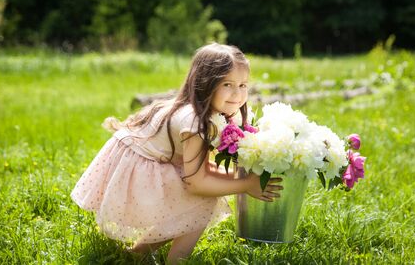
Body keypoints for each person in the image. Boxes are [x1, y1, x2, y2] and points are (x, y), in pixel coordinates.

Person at [70, 43, 283, 264]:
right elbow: (197, 183)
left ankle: (140, 253)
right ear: (205, 84)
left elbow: (200, 169)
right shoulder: (195, 122)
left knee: (195, 196)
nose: (237, 94)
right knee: (202, 200)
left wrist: (237, 178)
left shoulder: (206, 112)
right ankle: (177, 261)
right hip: (138, 169)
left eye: (243, 85)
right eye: (227, 84)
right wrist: (246, 185)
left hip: (149, 160)